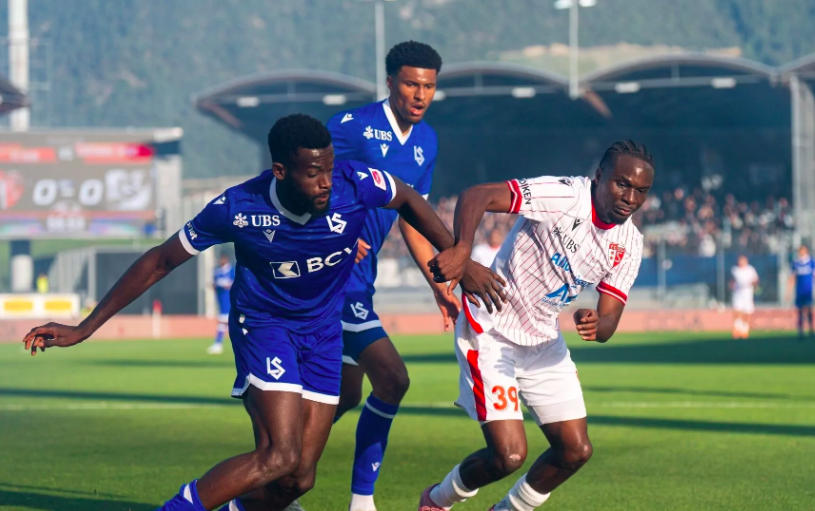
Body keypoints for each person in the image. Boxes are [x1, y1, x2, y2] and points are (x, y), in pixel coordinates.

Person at [23, 114, 504, 511]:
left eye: (330, 168)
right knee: (279, 455)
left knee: (298, 481)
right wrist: (84, 328)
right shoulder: (237, 207)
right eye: (313, 172)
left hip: (323, 333)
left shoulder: (357, 184)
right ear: (279, 172)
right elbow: (159, 260)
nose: (325, 181)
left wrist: (459, 258)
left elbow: (406, 198)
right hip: (265, 327)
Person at [421, 140, 654, 511]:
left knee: (576, 450)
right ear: (599, 177)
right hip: (491, 328)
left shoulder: (630, 244)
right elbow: (477, 195)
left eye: (641, 191)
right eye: (621, 183)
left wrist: (597, 323)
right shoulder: (564, 195)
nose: (630, 197)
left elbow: (609, 322)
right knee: (508, 456)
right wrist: (463, 251)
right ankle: (436, 501)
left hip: (544, 340)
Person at [325, 41, 454, 511]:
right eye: (411, 84)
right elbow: (297, 179)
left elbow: (414, 218)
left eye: (429, 86)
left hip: (362, 279)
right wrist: (332, 231)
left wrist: (438, 283)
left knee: (343, 395)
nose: (420, 95)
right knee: (392, 380)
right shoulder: (352, 127)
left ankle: (275, 481)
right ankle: (361, 503)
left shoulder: (427, 142)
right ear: (390, 83)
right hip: (332, 277)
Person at [207, 254, 235, 355]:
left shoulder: (232, 270)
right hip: (221, 300)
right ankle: (218, 344)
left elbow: (234, 283)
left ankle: (218, 344)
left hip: (230, 300)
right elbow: (214, 284)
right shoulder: (217, 272)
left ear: (226, 259)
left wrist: (227, 284)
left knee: (224, 322)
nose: (221, 261)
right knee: (224, 322)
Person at [730, 255, 759, 339]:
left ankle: (745, 330)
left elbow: (755, 280)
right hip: (738, 293)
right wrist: (732, 285)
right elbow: (731, 281)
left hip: (747, 293)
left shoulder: (750, 270)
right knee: (737, 310)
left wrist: (753, 285)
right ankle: (737, 330)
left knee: (747, 311)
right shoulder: (735, 270)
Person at [789, 245, 814, 338]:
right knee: (799, 310)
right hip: (799, 290)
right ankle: (801, 330)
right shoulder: (796, 263)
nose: (801, 253)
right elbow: (792, 277)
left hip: (808, 290)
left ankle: (811, 329)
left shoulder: (811, 262)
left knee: (809, 309)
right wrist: (789, 291)